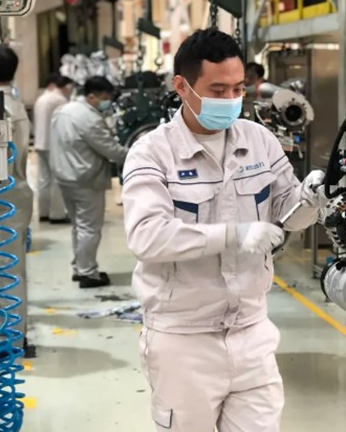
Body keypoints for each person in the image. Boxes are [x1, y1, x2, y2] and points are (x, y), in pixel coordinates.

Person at [122, 28, 324, 432]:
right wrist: (233, 235)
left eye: (237, 89)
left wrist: (313, 200)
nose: (231, 100)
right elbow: (147, 236)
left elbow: (288, 214)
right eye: (217, 90)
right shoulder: (152, 153)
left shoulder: (259, 141)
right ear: (182, 86)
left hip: (252, 331)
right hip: (184, 340)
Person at [50, 76, 128, 288]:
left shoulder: (64, 110)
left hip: (65, 176)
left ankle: (79, 266)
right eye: (105, 98)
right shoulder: (89, 119)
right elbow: (110, 150)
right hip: (85, 179)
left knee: (79, 226)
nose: (106, 102)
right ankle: (88, 273)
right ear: (92, 96)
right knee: (90, 228)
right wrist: (139, 154)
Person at [0, 44, 34, 352]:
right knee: (4, 270)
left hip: (1, 199)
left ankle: (9, 342)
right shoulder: (13, 103)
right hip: (12, 194)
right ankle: (6, 333)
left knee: (5, 272)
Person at [33, 73, 73, 224]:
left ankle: (43, 212)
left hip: (40, 143)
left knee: (43, 179)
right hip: (54, 145)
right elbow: (65, 123)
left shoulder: (41, 98)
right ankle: (57, 214)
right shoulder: (59, 100)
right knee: (57, 180)